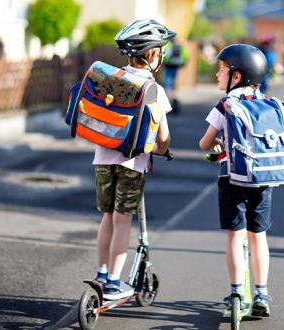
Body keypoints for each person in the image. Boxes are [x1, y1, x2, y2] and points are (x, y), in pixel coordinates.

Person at [93, 19, 175, 301]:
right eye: (160, 51)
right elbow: (163, 137)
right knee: (123, 220)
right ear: (152, 55)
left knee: (107, 217)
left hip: (102, 159)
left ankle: (101, 273)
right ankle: (114, 283)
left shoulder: (111, 79)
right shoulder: (154, 89)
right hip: (132, 164)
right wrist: (163, 150)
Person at [199, 44, 274, 317]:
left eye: (221, 70)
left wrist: (219, 144)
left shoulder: (226, 105)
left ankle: (236, 291)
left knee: (235, 234)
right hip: (263, 178)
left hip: (232, 177)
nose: (217, 75)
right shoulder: (267, 101)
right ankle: (262, 293)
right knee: (259, 235)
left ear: (237, 76)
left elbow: (204, 142)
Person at [163, 38, 188, 114]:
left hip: (168, 66)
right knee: (173, 83)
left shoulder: (168, 46)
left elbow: (165, 55)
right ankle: (174, 98)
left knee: (167, 83)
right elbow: (185, 56)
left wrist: (164, 62)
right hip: (176, 66)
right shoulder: (180, 46)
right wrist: (182, 63)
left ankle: (168, 101)